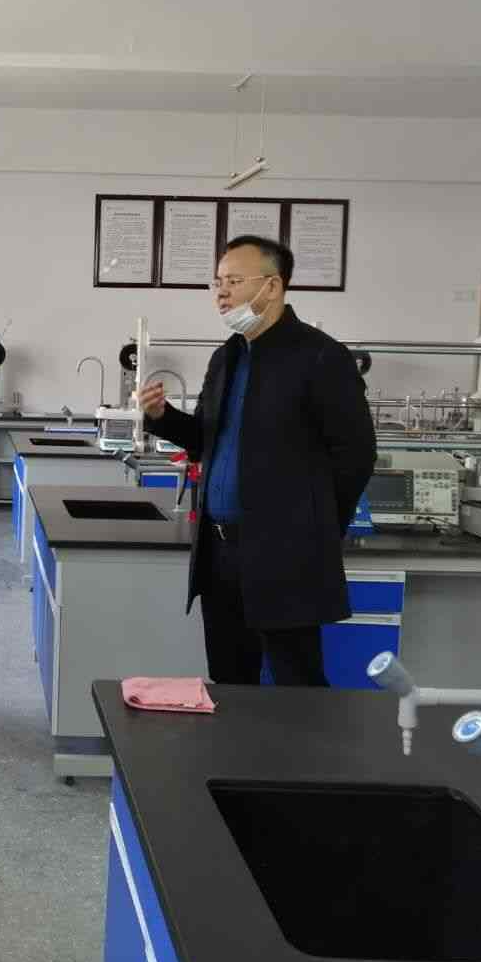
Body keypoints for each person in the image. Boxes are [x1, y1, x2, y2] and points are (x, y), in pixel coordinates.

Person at [138, 235, 376, 687]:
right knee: (230, 683)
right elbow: (206, 439)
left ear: (273, 285)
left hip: (286, 556)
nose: (221, 292)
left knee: (295, 686)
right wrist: (162, 417)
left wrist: (316, 527)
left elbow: (356, 455)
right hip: (219, 552)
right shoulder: (226, 357)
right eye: (218, 282)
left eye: (233, 280)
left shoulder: (321, 357)